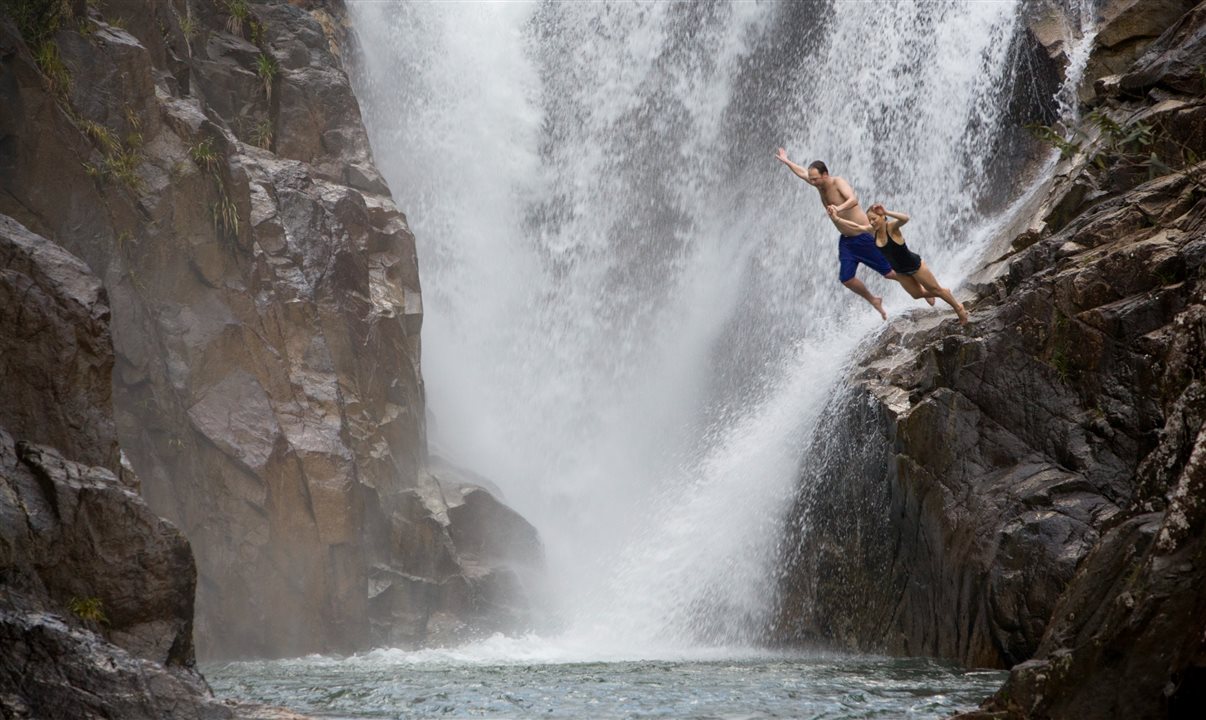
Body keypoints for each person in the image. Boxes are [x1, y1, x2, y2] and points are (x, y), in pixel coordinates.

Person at [774, 148, 926, 320]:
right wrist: (787, 161)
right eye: (812, 179)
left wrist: (837, 209)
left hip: (863, 236)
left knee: (890, 272)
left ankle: (923, 287)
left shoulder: (837, 182)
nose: (813, 182)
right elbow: (802, 172)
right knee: (847, 279)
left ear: (825, 175)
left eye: (815, 179)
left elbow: (854, 200)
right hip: (846, 241)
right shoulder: (819, 185)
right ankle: (875, 300)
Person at [833, 203, 969, 324]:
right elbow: (856, 226)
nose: (872, 222)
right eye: (870, 220)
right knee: (916, 295)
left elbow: (905, 218)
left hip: (915, 266)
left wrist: (886, 212)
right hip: (900, 271)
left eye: (874, 219)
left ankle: (958, 308)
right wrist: (836, 219)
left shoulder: (891, 228)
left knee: (936, 290)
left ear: (882, 217)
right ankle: (944, 292)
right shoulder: (872, 231)